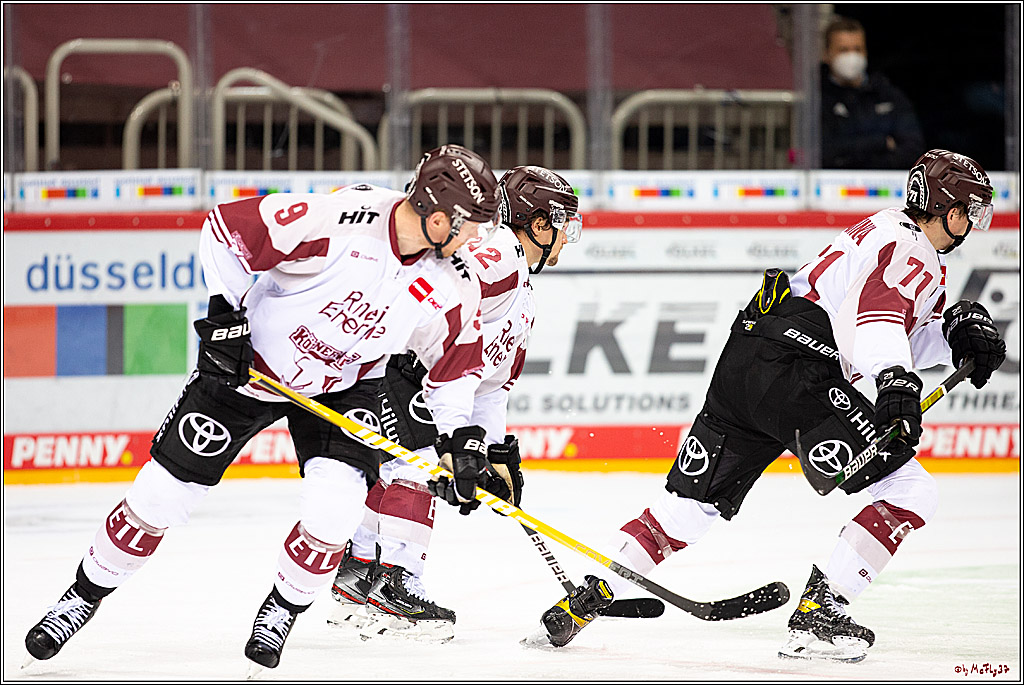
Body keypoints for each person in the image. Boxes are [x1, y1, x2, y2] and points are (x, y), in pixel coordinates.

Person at [23, 144, 511, 673]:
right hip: (250, 369)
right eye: (472, 226)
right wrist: (225, 318)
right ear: (439, 218)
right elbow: (225, 230)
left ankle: (281, 608)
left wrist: (463, 444)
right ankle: (82, 595)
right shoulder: (342, 220)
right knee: (157, 498)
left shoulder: (455, 281)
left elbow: (457, 368)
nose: (477, 240)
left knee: (335, 512)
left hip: (346, 387)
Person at [530, 149, 1006, 660]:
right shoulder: (915, 251)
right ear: (952, 212)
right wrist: (894, 382)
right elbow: (878, 321)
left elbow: (869, 326)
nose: (973, 227)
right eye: (973, 214)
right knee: (911, 491)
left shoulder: (885, 230)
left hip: (750, 356)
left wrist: (953, 337)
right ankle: (820, 615)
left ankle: (586, 598)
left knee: (687, 508)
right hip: (796, 372)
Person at [327, 166, 582, 642]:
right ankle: (395, 587)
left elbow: (491, 385)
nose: (569, 238)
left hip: (423, 377)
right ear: (541, 224)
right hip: (402, 367)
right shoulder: (500, 252)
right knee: (420, 466)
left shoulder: (520, 286)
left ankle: (358, 578)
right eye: (565, 225)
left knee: (400, 468)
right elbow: (431, 290)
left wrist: (499, 452)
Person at [820, 16, 925, 170]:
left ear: (866, 52)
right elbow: (823, 153)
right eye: (844, 50)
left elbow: (913, 150)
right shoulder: (818, 98)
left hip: (886, 187)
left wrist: (857, 159)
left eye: (857, 49)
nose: (852, 56)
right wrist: (881, 143)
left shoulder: (889, 96)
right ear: (827, 54)